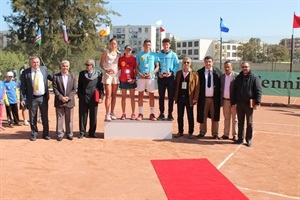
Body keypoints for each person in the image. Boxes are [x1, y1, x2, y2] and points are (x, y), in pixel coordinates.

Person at [231, 61, 262, 147]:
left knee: (249, 123)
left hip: (249, 104)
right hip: (239, 104)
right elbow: (234, 91)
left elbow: (258, 91)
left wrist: (257, 102)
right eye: (243, 67)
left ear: (249, 67)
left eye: (246, 67)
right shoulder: (238, 78)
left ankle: (248, 140)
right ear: (241, 68)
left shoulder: (254, 78)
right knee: (240, 122)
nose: (245, 68)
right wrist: (233, 103)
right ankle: (240, 139)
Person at [20, 56, 51, 141]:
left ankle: (46, 134)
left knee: (44, 116)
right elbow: (23, 87)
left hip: (43, 97)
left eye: (37, 62)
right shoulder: (25, 72)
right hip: (32, 98)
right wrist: (22, 98)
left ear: (39, 63)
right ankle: (34, 134)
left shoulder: (44, 69)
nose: (36, 64)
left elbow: (50, 77)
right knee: (32, 117)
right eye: (34, 62)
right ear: (31, 63)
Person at [196, 56, 222, 139]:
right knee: (202, 115)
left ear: (212, 62)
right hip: (203, 99)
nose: (208, 63)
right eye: (206, 61)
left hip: (215, 99)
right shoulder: (199, 72)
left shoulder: (218, 72)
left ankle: (215, 133)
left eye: (210, 61)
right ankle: (202, 132)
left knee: (215, 116)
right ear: (204, 62)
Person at [77, 59, 104, 138]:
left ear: (92, 66)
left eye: (88, 65)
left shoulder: (99, 74)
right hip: (84, 97)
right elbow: (79, 86)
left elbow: (101, 87)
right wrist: (80, 96)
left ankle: (92, 132)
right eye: (86, 65)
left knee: (93, 115)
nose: (86, 66)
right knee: (82, 115)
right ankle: (82, 132)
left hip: (93, 97)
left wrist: (101, 97)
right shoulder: (82, 74)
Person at [174, 57, 199, 139]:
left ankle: (190, 132)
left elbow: (197, 87)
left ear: (190, 63)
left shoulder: (194, 74)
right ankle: (180, 131)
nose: (186, 64)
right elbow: (175, 85)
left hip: (189, 98)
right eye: (184, 62)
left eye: (188, 62)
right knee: (180, 116)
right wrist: (175, 96)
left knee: (190, 116)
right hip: (180, 98)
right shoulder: (178, 74)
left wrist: (195, 98)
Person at [135, 39, 160, 121]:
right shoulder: (139, 55)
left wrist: (151, 74)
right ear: (143, 45)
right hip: (141, 78)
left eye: (149, 45)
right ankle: (140, 113)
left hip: (151, 78)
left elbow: (157, 67)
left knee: (151, 96)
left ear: (150, 46)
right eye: (146, 44)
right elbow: (136, 67)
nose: (147, 46)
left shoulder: (154, 55)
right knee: (140, 95)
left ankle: (152, 114)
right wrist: (140, 74)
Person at [52, 60, 77, 141]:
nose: (65, 68)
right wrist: (61, 97)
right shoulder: (56, 77)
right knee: (60, 118)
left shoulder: (73, 76)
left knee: (69, 119)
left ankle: (69, 133)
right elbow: (55, 89)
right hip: (59, 101)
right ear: (61, 67)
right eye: (63, 66)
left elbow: (74, 89)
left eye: (66, 66)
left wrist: (68, 97)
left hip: (70, 101)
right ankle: (60, 133)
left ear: (69, 67)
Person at [157, 38, 179, 121]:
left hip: (170, 78)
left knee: (171, 97)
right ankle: (161, 113)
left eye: (167, 44)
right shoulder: (158, 55)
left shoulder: (173, 55)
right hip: (161, 78)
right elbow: (156, 66)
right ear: (162, 45)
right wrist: (158, 73)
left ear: (169, 45)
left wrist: (171, 72)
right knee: (161, 96)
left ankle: (170, 114)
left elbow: (177, 65)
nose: (166, 46)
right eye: (164, 44)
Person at [100, 38, 120, 121]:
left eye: (115, 43)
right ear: (109, 44)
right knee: (108, 94)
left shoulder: (119, 54)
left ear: (116, 45)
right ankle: (107, 113)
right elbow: (101, 64)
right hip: (108, 75)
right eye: (112, 43)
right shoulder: (106, 53)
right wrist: (106, 69)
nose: (113, 45)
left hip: (116, 75)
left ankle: (112, 112)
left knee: (114, 95)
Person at [220, 61, 238, 140]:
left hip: (234, 101)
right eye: (225, 67)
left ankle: (235, 135)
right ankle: (226, 134)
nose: (227, 68)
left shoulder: (237, 76)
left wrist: (236, 102)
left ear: (232, 67)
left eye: (228, 67)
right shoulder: (222, 77)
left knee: (235, 119)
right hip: (225, 101)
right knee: (226, 118)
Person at [118, 45, 137, 120]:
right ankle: (123, 113)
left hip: (131, 80)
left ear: (131, 51)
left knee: (132, 98)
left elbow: (136, 69)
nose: (128, 51)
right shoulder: (121, 59)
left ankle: (133, 113)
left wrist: (134, 79)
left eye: (129, 50)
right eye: (127, 50)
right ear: (124, 50)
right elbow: (119, 68)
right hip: (123, 80)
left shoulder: (134, 59)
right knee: (123, 98)